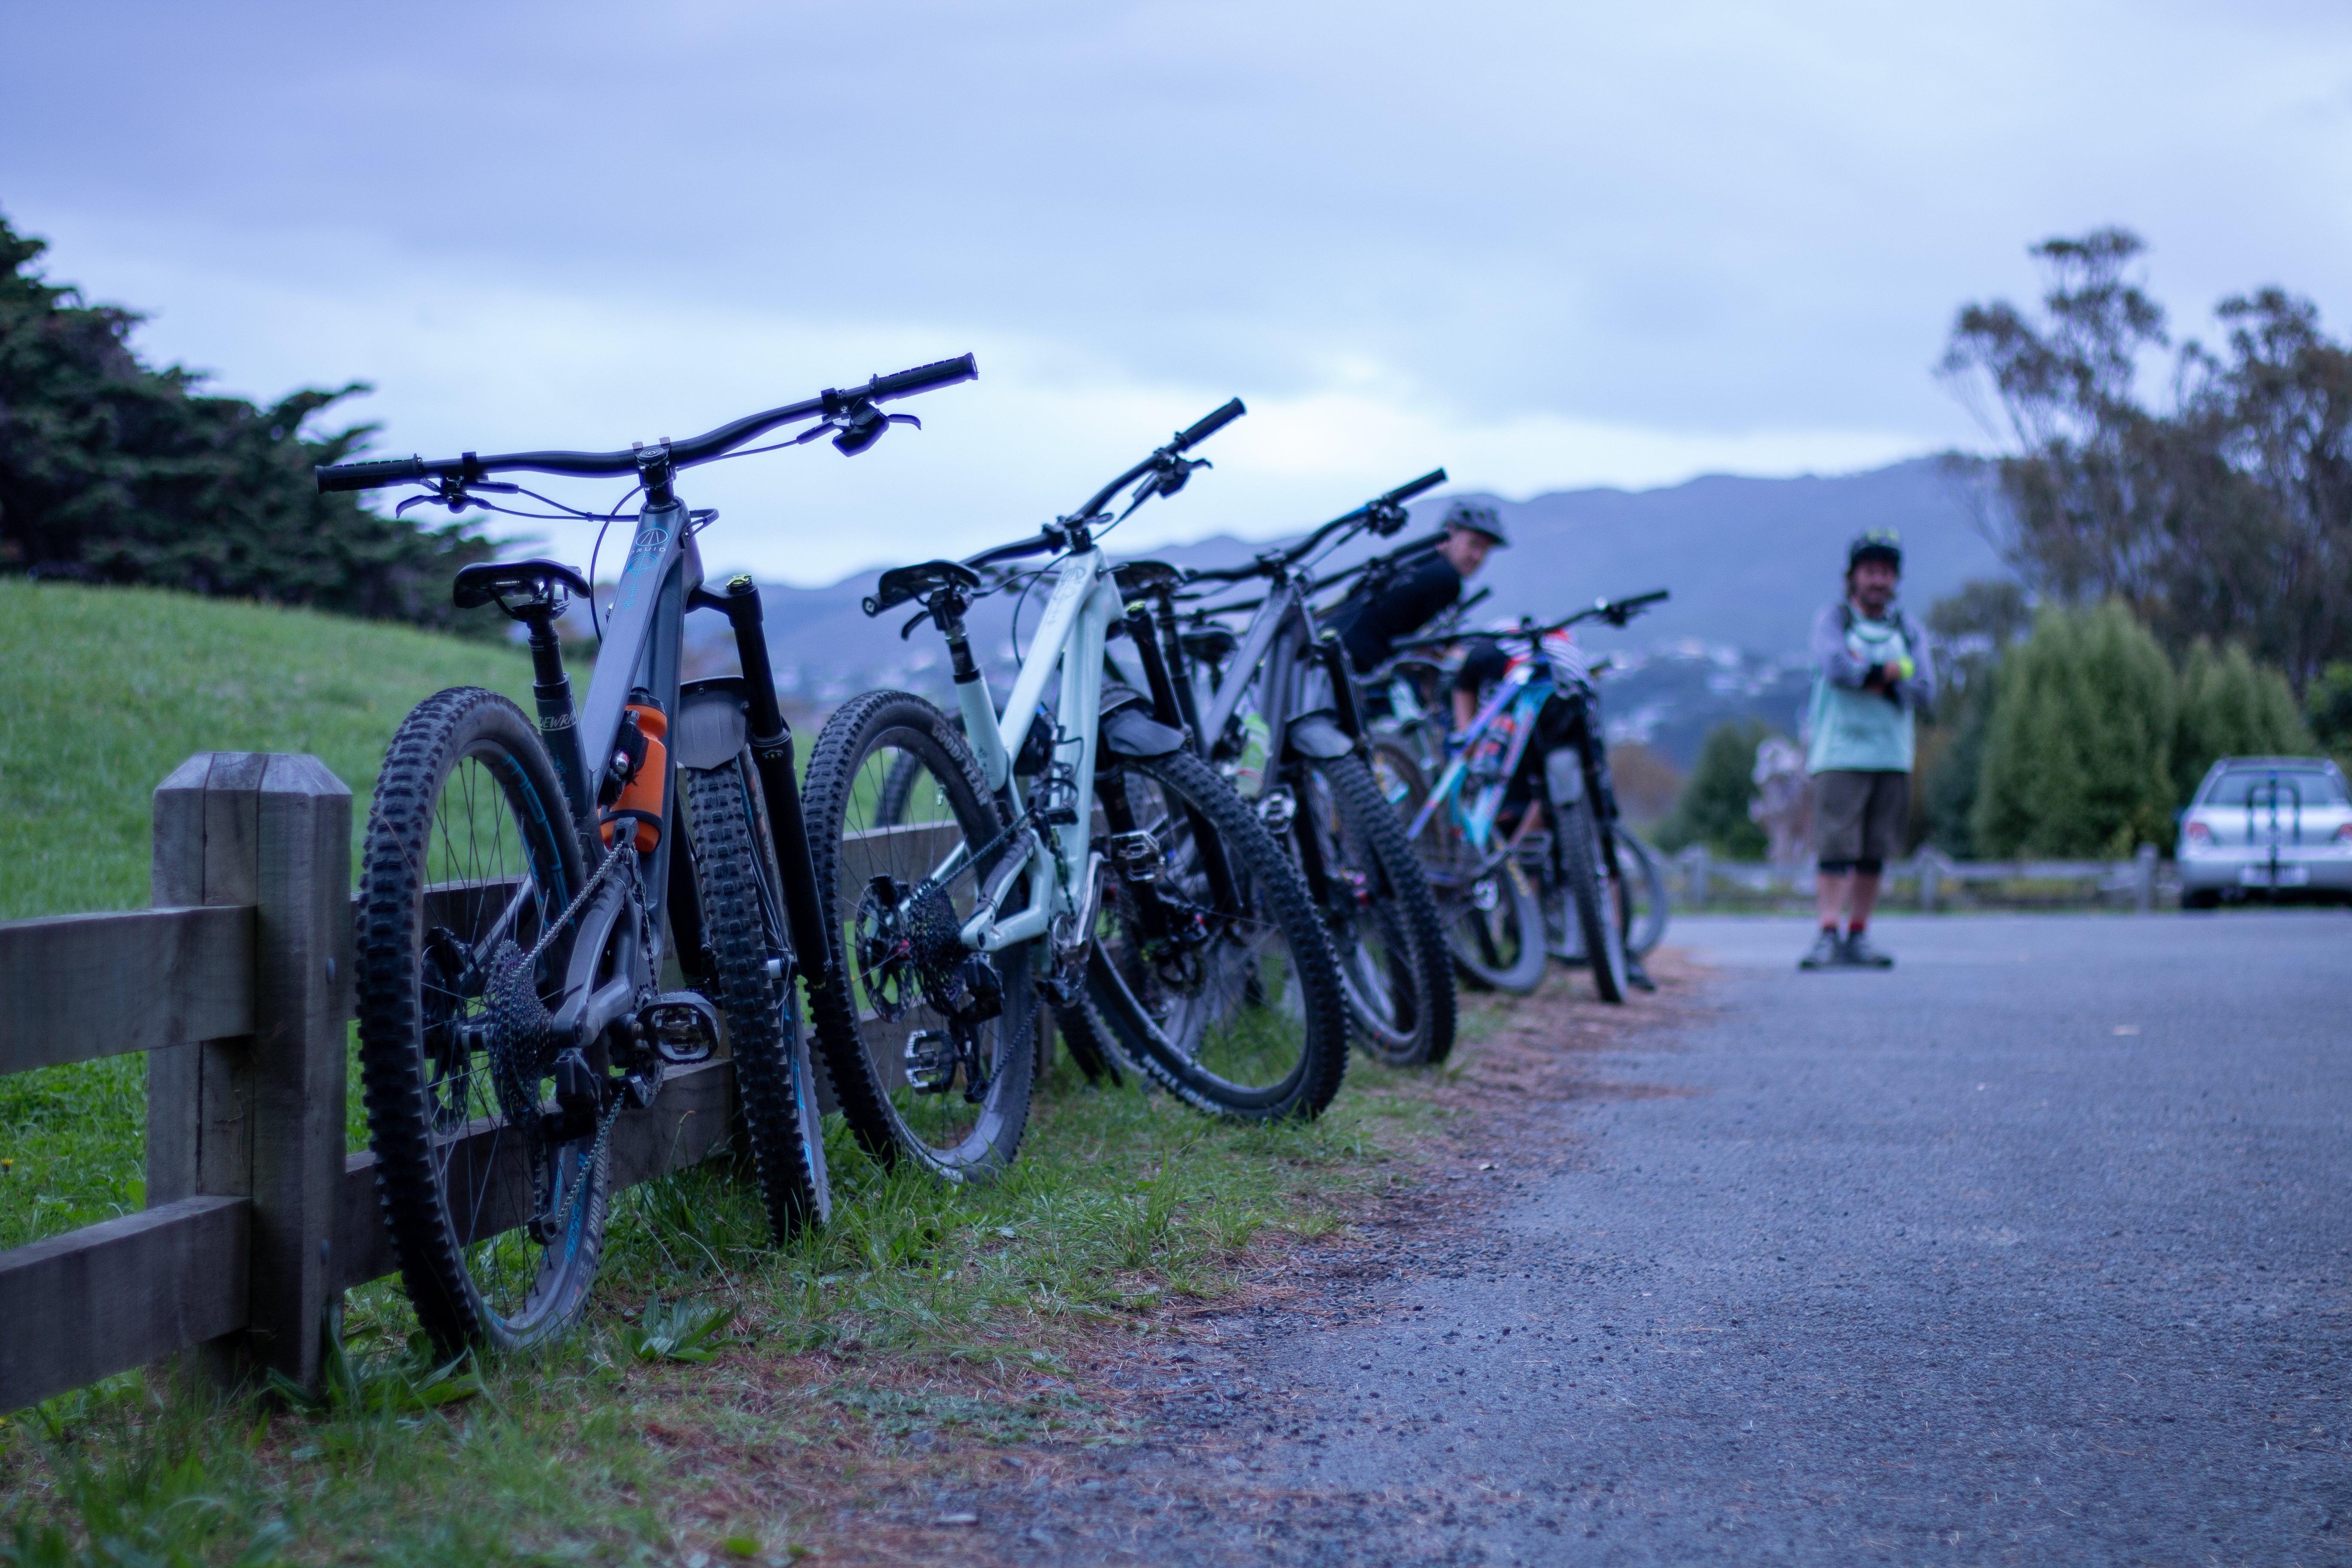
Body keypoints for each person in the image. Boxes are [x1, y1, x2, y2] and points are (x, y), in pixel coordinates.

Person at [1799, 528, 1934, 970]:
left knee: (1875, 852)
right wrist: (1894, 674)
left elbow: (1926, 688)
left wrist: (1875, 677)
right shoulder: (1833, 620)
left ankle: (1859, 935)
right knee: (1835, 848)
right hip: (1839, 754)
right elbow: (1837, 667)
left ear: (1896, 580)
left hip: (1892, 755)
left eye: (1886, 573)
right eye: (1870, 572)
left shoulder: (1908, 627)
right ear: (1854, 577)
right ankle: (1826, 933)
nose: (1878, 581)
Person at [1327, 500, 1508, 713]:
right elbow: (1431, 651)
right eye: (1473, 544)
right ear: (1449, 533)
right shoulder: (1446, 578)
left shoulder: (1413, 561)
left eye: (1485, 551)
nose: (1478, 557)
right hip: (1364, 675)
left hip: (1334, 657)